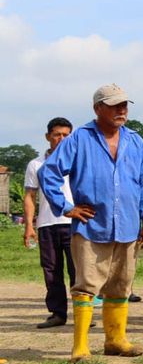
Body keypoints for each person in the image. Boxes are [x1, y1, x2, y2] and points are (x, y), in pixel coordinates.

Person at [40, 84, 143, 361]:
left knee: (121, 284)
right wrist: (67, 207)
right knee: (86, 286)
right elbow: (49, 173)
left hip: (127, 227)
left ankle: (115, 340)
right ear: (98, 109)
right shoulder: (79, 139)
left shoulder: (135, 141)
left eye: (124, 105)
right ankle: (80, 346)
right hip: (91, 227)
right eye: (115, 105)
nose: (121, 110)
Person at [23, 117, 75, 329]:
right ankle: (57, 313)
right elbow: (30, 196)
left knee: (78, 270)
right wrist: (29, 225)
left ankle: (83, 313)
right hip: (47, 223)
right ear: (48, 137)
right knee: (51, 270)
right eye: (57, 135)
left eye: (66, 135)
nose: (61, 139)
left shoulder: (77, 161)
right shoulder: (36, 165)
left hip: (74, 223)